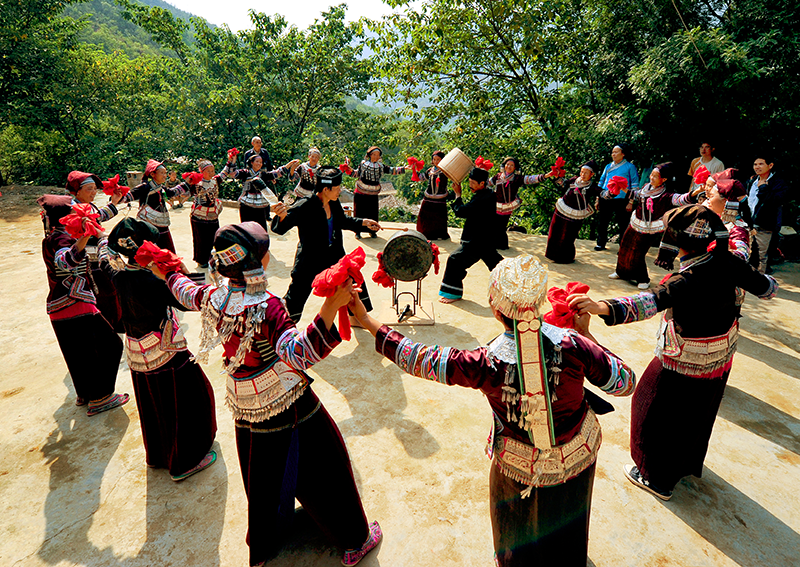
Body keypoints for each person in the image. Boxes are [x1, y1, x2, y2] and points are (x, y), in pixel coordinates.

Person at [351, 255, 635, 567]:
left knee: (517, 525)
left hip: (518, 464)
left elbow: (418, 358)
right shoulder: (574, 344)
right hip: (577, 453)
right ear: (539, 302)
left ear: (494, 308)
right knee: (569, 514)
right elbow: (624, 383)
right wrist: (587, 335)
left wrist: (365, 319)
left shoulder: (485, 363)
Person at [153, 221, 381, 566]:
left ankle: (262, 546)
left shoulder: (214, 296)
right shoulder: (267, 306)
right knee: (326, 464)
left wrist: (168, 272)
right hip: (285, 397)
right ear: (257, 261)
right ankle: (354, 541)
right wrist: (329, 307)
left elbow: (185, 290)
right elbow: (297, 354)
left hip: (242, 398)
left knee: (262, 472)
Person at [570, 205, 778, 501]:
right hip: (721, 356)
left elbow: (649, 302)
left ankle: (655, 478)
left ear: (678, 242)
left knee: (651, 409)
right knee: (697, 412)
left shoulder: (685, 279)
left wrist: (599, 306)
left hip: (683, 359)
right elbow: (768, 288)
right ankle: (685, 465)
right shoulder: (730, 262)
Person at [100, 218, 218, 481]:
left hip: (137, 350)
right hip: (165, 350)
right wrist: (182, 274)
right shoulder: (153, 281)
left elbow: (103, 256)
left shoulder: (118, 275)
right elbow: (192, 301)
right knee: (187, 400)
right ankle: (185, 462)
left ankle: (158, 455)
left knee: (153, 403)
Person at [38, 194, 128, 415]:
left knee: (77, 354)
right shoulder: (63, 239)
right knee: (110, 346)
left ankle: (85, 394)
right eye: (74, 212)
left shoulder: (54, 236)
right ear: (65, 218)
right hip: (76, 303)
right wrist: (94, 236)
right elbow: (66, 262)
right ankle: (101, 397)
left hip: (59, 306)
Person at [271, 166, 378, 323]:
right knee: (296, 295)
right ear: (326, 189)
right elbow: (281, 227)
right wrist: (281, 216)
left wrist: (363, 223)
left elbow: (343, 221)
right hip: (310, 258)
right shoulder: (305, 205)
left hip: (334, 254)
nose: (340, 191)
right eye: (337, 188)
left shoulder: (333, 203)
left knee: (352, 278)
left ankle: (356, 318)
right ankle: (283, 327)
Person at [610, 162, 696, 289]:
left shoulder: (666, 195)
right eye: (651, 175)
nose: (651, 178)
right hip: (636, 220)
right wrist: (623, 188)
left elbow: (681, 199)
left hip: (651, 227)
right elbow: (637, 195)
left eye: (655, 176)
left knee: (638, 252)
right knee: (625, 245)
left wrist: (696, 192)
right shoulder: (646, 187)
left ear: (664, 179)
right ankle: (621, 272)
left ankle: (643, 279)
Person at [66, 170, 126, 332]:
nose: (93, 192)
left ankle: (116, 323)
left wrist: (114, 202)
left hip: (100, 254)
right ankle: (108, 328)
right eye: (89, 189)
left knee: (113, 289)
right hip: (90, 262)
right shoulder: (73, 210)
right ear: (77, 191)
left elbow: (99, 216)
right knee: (104, 293)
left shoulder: (88, 206)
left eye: (95, 189)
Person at [438, 161, 503, 304]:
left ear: (482, 183)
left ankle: (453, 294)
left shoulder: (482, 198)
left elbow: (461, 211)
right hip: (485, 240)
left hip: (476, 241)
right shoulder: (487, 194)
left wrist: (458, 195)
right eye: (469, 182)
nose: (470, 185)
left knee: (454, 260)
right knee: (499, 266)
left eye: (473, 183)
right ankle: (515, 290)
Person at [341, 146, 409, 238]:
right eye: (374, 154)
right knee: (359, 212)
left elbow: (392, 170)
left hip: (373, 193)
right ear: (370, 155)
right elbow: (357, 174)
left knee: (372, 213)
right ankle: (358, 231)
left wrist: (405, 168)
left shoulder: (381, 166)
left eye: (378, 155)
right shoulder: (363, 164)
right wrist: (348, 169)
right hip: (361, 192)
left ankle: (372, 231)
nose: (376, 157)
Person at [122, 159, 189, 252]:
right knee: (149, 253)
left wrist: (187, 184)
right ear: (153, 174)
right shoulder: (144, 187)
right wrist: (118, 196)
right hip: (147, 226)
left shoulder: (161, 188)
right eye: (162, 173)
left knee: (167, 252)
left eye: (165, 173)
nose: (165, 175)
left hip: (162, 224)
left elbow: (172, 192)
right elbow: (128, 196)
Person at [488, 157, 554, 249]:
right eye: (507, 164)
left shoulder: (517, 178)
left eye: (512, 165)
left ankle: (502, 245)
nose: (509, 167)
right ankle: (495, 243)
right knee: (494, 224)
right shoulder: (498, 176)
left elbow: (530, 179)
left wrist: (545, 176)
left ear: (515, 168)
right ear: (504, 165)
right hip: (496, 205)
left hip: (507, 206)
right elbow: (488, 183)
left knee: (501, 226)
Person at [222, 153, 299, 231]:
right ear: (251, 162)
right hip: (246, 205)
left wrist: (289, 165)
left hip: (260, 206)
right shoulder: (245, 173)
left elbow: (276, 173)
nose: (259, 164)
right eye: (257, 161)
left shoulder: (263, 174)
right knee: (246, 229)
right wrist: (233, 161)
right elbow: (233, 174)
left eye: (261, 162)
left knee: (261, 229)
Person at [544, 160, 602, 264]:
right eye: (582, 172)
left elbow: (603, 193)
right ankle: (553, 255)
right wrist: (557, 176)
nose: (583, 174)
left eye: (586, 173)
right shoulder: (574, 180)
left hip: (576, 214)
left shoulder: (591, 187)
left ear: (592, 174)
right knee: (556, 232)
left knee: (569, 236)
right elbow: (564, 184)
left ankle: (566, 258)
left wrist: (613, 190)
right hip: (562, 208)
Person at [177, 159, 226, 268]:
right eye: (208, 171)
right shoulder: (196, 183)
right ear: (202, 172)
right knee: (201, 239)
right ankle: (202, 260)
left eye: (213, 170)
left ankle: (213, 259)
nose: (212, 173)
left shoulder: (215, 180)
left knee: (213, 238)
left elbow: (225, 172)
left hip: (213, 215)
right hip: (199, 216)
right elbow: (184, 191)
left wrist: (231, 160)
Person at [747, 153, 788, 274]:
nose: (757, 167)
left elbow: (774, 202)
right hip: (749, 223)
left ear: (770, 165)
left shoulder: (778, 183)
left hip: (764, 225)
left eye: (761, 164)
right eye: (755, 164)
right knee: (747, 253)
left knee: (761, 256)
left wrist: (763, 189)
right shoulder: (752, 181)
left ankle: (760, 281)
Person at [594, 144, 640, 251]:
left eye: (616, 152)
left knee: (623, 224)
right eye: (612, 152)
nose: (613, 154)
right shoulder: (608, 166)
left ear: (623, 154)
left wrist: (631, 202)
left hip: (622, 199)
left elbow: (634, 185)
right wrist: (597, 199)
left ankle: (623, 247)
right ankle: (600, 243)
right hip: (606, 197)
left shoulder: (630, 167)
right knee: (602, 222)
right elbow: (601, 182)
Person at [415, 150, 451, 240]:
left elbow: (454, 177)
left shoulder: (446, 171)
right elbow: (422, 178)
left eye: (438, 159)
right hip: (429, 197)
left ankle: (439, 234)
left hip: (440, 198)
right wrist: (414, 170)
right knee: (426, 216)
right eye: (434, 159)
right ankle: (426, 234)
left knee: (439, 217)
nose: (436, 161)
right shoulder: (430, 170)